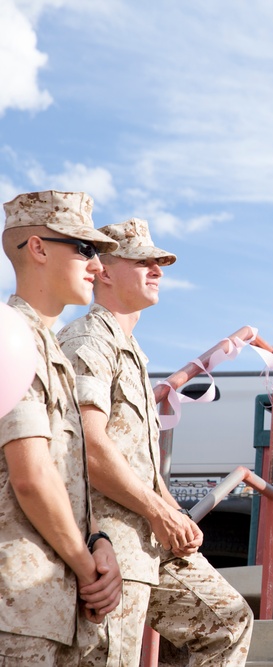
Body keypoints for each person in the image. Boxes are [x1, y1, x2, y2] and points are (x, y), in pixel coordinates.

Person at [58, 218, 253, 666]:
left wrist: (172, 511)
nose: (158, 269)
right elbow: (88, 446)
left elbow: (137, 457)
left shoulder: (132, 352)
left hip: (149, 541)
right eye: (143, 260)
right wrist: (158, 511)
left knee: (228, 622)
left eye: (160, 261)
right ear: (104, 271)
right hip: (107, 544)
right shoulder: (88, 339)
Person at [0, 190, 123, 664]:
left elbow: (66, 477)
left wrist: (99, 542)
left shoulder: (54, 354)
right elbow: (30, 477)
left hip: (53, 608)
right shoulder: (13, 338)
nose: (97, 265)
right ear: (38, 247)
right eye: (85, 249)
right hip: (18, 609)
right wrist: (86, 565)